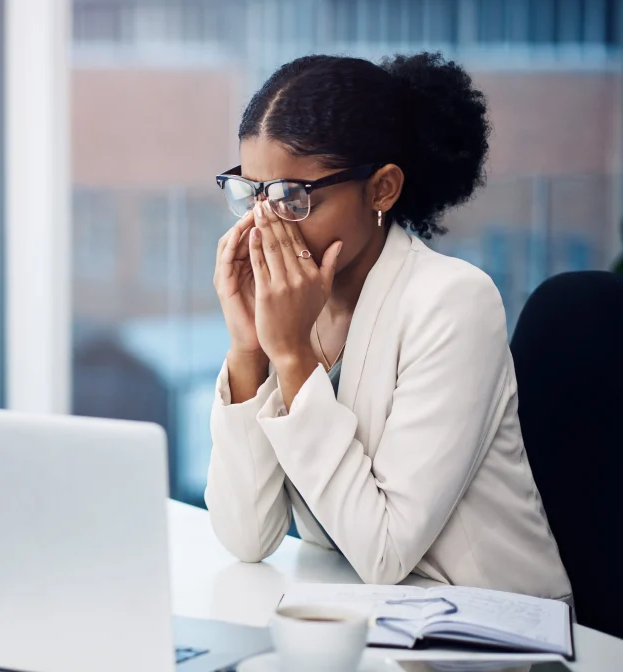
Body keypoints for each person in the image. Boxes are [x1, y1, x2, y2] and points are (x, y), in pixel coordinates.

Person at [206, 52, 572, 601]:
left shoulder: (453, 301)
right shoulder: (294, 312)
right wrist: (247, 350)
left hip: (489, 631)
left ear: (381, 189)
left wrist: (290, 355)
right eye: (252, 194)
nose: (263, 224)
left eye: (291, 197)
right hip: (363, 614)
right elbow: (247, 537)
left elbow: (385, 553)